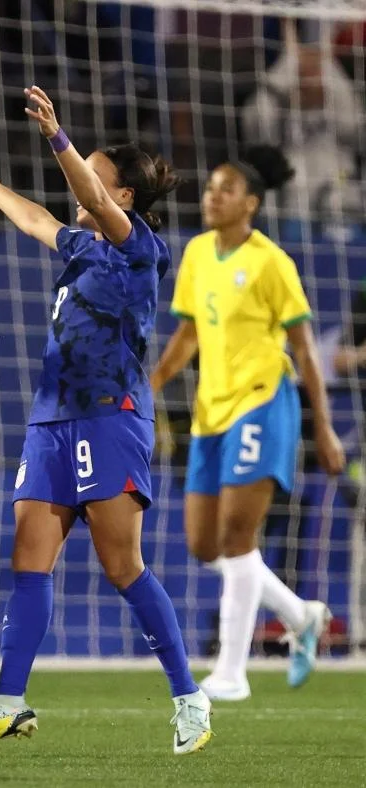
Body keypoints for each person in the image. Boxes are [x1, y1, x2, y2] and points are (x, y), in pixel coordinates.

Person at [0, 86, 212, 755]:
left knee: (122, 566)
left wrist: (58, 139)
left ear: (122, 196)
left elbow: (88, 198)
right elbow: (39, 220)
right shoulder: (82, 248)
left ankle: (189, 697)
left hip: (109, 418)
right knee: (28, 560)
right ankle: (8, 699)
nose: (82, 189)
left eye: (96, 176)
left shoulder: (138, 249)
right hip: (51, 419)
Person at [150, 145, 343, 702]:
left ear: (251, 204)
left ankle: (231, 673)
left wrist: (323, 428)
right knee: (202, 544)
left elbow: (306, 351)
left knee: (238, 535)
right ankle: (301, 614)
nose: (212, 196)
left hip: (263, 401)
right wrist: (152, 385)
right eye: (210, 188)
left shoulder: (270, 262)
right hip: (212, 410)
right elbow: (188, 334)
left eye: (225, 189)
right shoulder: (196, 256)